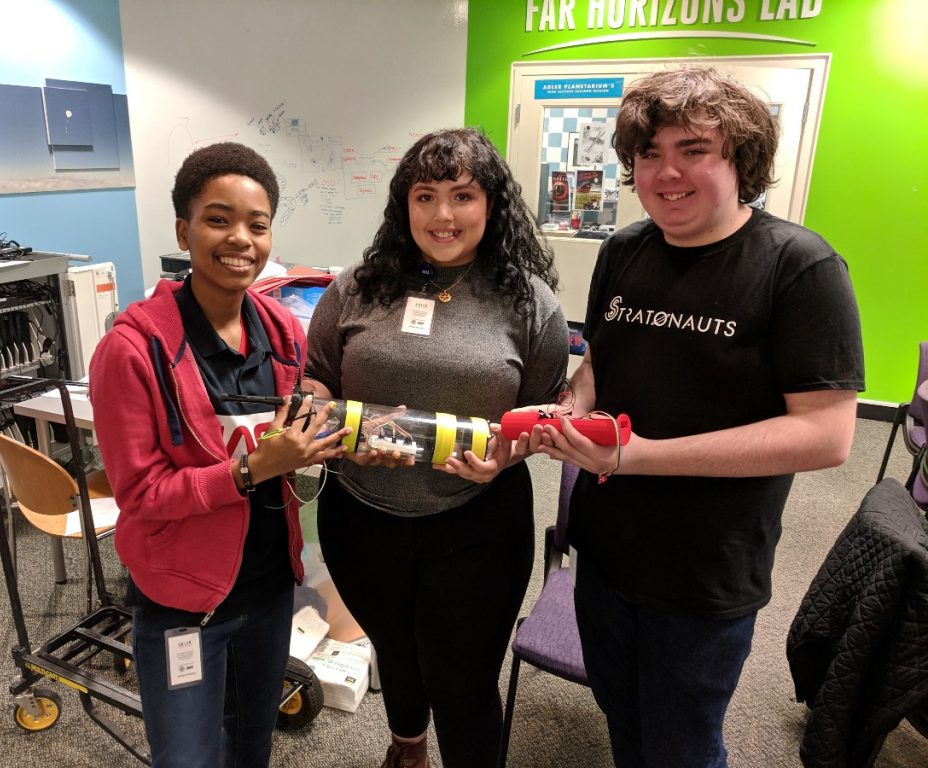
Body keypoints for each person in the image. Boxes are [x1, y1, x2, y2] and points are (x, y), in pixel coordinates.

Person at [526, 67, 865, 767]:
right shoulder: (624, 250)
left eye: (693, 150)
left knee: (682, 742)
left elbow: (826, 435)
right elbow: (601, 362)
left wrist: (636, 456)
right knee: (623, 716)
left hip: (705, 571)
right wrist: (572, 407)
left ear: (741, 159)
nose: (666, 173)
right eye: (649, 154)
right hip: (608, 548)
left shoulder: (800, 266)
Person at [303, 127, 569, 768]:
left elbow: (540, 412)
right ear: (404, 205)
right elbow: (317, 378)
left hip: (477, 521)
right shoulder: (357, 288)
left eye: (462, 196)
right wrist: (329, 426)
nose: (443, 216)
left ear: (491, 205)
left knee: (461, 683)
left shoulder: (529, 303)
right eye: (425, 196)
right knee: (395, 650)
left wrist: (508, 452)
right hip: (361, 516)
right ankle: (407, 747)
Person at [88, 142, 349, 768]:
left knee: (251, 744)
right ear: (183, 229)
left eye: (257, 225)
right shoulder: (132, 350)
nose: (241, 239)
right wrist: (249, 469)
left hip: (267, 588)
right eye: (218, 219)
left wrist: (340, 437)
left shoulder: (283, 330)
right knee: (187, 759)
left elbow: (295, 432)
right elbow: (143, 497)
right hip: (183, 603)